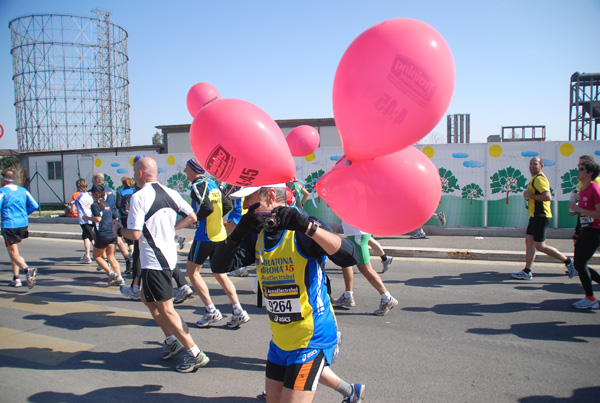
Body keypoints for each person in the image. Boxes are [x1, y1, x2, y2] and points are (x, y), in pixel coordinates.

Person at [211, 184, 365, 403]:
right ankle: (351, 391)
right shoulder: (259, 234)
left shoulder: (302, 229)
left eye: (248, 199)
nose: (244, 205)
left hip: (312, 336)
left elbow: (350, 256)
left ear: (271, 196)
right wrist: (239, 233)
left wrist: (307, 227)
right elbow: (219, 265)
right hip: (280, 341)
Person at [116, 156, 209, 373]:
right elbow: (193, 216)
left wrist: (119, 231)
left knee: (167, 310)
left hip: (154, 261)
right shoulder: (171, 193)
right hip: (165, 258)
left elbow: (135, 233)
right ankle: (171, 340)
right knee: (146, 298)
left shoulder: (139, 197)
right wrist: (172, 228)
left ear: (140, 173)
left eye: (134, 170)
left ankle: (195, 353)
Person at [183, 158, 250, 329]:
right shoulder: (212, 184)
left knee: (192, 272)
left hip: (204, 236)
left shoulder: (197, 186)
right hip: (219, 234)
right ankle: (238, 311)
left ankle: (211, 310)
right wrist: (215, 220)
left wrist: (195, 219)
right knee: (219, 272)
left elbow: (207, 208)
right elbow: (225, 205)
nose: (184, 172)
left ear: (193, 170)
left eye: (186, 168)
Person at [512, 157, 575, 280]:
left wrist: (530, 195)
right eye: (530, 164)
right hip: (535, 216)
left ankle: (568, 262)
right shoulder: (534, 179)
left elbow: (547, 197)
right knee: (529, 242)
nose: (532, 166)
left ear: (541, 166)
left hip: (541, 215)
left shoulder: (539, 179)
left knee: (540, 246)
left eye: (535, 164)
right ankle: (527, 271)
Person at [332, 221, 398, 316]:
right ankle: (347, 296)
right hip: (354, 233)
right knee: (345, 262)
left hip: (357, 234)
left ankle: (387, 298)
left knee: (366, 269)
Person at [568, 158, 600, 309]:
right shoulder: (583, 189)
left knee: (580, 264)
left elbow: (599, 214)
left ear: (590, 173)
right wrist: (575, 211)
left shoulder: (595, 189)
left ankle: (590, 299)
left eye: (581, 168)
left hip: (595, 231)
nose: (578, 170)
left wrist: (578, 209)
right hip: (586, 229)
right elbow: (585, 210)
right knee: (579, 264)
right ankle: (590, 297)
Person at [0, 168, 39, 288]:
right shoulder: (23, 190)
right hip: (22, 224)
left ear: (3, 179)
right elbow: (35, 205)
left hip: (9, 225)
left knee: (13, 253)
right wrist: (24, 213)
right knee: (15, 252)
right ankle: (16, 278)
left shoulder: (3, 191)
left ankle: (28, 270)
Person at [83, 184, 124, 286]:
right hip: (112, 233)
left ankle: (111, 273)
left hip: (103, 234)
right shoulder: (107, 204)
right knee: (111, 257)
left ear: (93, 194)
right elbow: (115, 218)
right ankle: (120, 278)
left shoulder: (95, 205)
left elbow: (98, 219)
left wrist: (87, 218)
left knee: (96, 256)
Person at [92, 172, 131, 269]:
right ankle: (127, 259)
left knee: (102, 239)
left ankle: (106, 261)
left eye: (93, 179)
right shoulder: (109, 189)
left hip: (105, 217)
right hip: (113, 215)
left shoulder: (98, 190)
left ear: (97, 180)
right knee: (118, 239)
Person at [71, 178, 95, 264]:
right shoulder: (90, 194)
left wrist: (71, 210)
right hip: (92, 217)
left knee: (91, 237)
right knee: (85, 236)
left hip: (84, 219)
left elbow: (73, 209)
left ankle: (102, 255)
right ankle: (87, 255)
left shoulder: (76, 195)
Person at [116, 176, 135, 270]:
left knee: (126, 235)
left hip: (124, 215)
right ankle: (132, 252)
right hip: (132, 215)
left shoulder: (121, 192)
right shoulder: (134, 192)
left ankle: (130, 254)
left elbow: (118, 205)